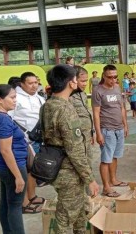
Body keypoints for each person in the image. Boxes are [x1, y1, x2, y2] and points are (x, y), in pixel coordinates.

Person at [43, 64, 99, 233]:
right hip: (69, 172)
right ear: (70, 82)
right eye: (76, 78)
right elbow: (74, 149)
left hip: (58, 167)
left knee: (80, 211)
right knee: (65, 218)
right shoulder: (66, 109)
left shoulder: (49, 104)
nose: (77, 81)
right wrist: (90, 178)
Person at [9, 72, 45, 213]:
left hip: (37, 140)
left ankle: (32, 196)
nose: (34, 85)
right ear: (22, 84)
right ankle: (23, 203)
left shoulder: (40, 98)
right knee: (22, 171)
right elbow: (9, 119)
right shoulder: (15, 98)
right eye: (30, 83)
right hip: (21, 141)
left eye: (36, 82)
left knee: (33, 170)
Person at [0, 84, 28, 233]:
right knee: (15, 205)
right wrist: (18, 176)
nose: (15, 100)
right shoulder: (3, 120)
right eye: (12, 97)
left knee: (6, 204)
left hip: (1, 166)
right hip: (12, 166)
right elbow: (6, 150)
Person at [92, 64, 129, 197]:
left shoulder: (118, 88)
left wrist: (125, 125)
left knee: (115, 156)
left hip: (119, 128)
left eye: (115, 77)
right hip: (106, 129)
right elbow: (96, 113)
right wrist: (98, 133)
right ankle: (106, 187)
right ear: (103, 76)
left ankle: (113, 180)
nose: (113, 80)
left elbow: (122, 108)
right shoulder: (98, 90)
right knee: (106, 159)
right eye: (110, 77)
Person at [69, 66, 94, 167]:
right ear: (74, 80)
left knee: (88, 160)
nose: (85, 84)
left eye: (86, 81)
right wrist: (77, 138)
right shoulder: (68, 96)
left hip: (87, 135)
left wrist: (92, 133)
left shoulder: (82, 94)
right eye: (82, 81)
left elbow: (86, 113)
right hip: (77, 138)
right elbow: (71, 120)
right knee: (80, 163)